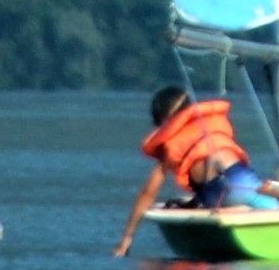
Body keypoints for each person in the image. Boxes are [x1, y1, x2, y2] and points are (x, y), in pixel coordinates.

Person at [114, 83, 267, 253]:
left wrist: (126, 238)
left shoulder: (172, 144)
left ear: (164, 120)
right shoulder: (210, 124)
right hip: (245, 179)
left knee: (223, 199)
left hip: (218, 194)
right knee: (266, 204)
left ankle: (235, 211)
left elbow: (148, 192)